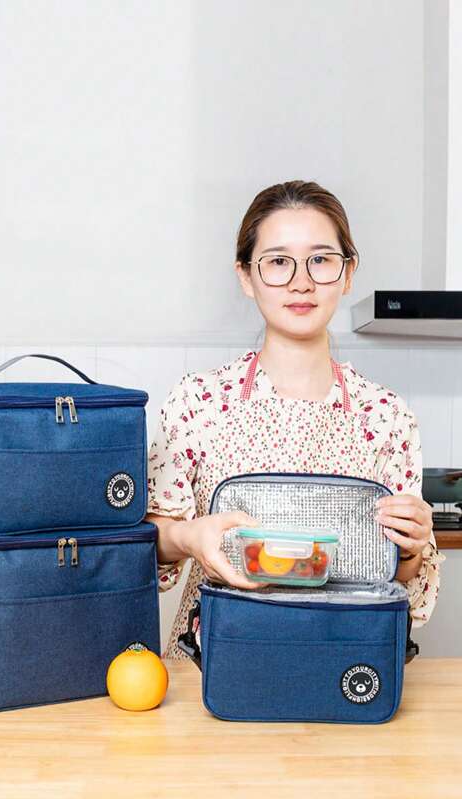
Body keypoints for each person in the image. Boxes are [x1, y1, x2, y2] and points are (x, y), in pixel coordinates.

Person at [145, 179, 445, 660]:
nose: (301, 281)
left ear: (347, 275)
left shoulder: (387, 416)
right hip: (210, 667)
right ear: (246, 276)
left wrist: (410, 547)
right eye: (278, 262)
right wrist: (187, 536)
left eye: (321, 260)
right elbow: (148, 543)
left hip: (340, 662)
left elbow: (400, 574)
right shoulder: (196, 402)